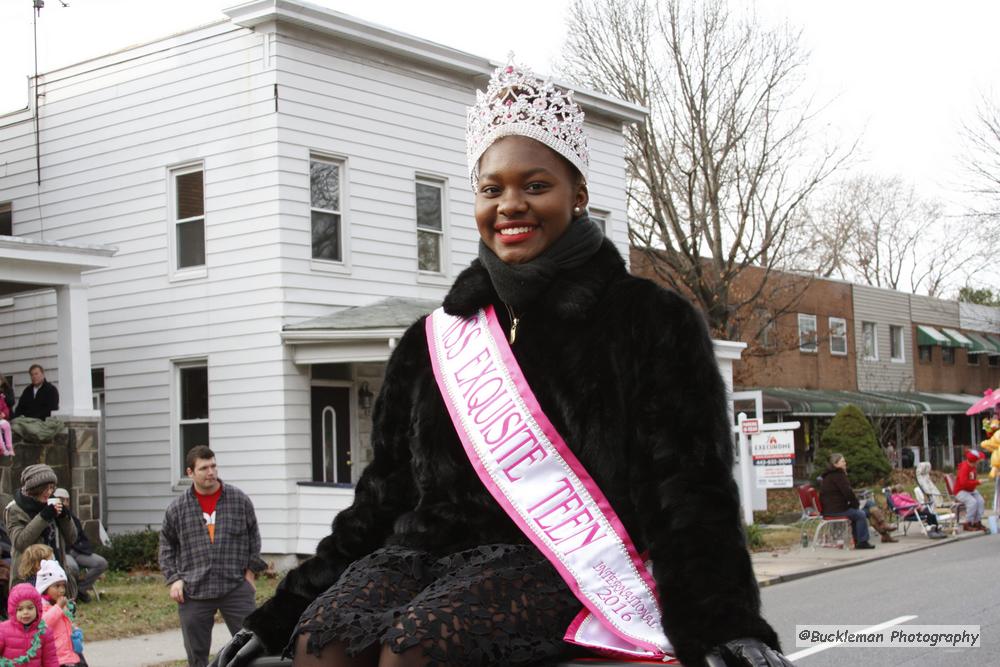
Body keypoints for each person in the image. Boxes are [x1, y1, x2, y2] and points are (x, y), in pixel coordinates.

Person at [211, 61, 792, 667]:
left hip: (556, 560)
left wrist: (723, 625)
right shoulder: (431, 339)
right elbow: (380, 498)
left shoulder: (649, 321)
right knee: (322, 640)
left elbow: (690, 490)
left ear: (579, 194)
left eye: (535, 185)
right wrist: (279, 616)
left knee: (418, 650)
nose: (510, 205)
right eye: (492, 190)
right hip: (420, 555)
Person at [158, 446, 267, 667]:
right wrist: (174, 579)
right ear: (190, 473)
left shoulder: (238, 500)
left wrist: (250, 573)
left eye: (213, 466)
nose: (211, 472)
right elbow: (166, 547)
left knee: (253, 648)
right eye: (204, 468)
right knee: (196, 657)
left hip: (235, 587)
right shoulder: (177, 509)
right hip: (194, 590)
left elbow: (253, 537)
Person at [5, 465, 77, 600]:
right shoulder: (14, 509)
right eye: (46, 488)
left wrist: (65, 517)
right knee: (33, 618)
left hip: (54, 574)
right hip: (29, 576)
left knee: (57, 618)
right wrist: (43, 517)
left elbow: (72, 538)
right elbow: (20, 542)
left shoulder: (52, 503)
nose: (49, 492)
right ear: (34, 488)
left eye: (52, 487)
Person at [51, 489, 106, 603]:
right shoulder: (50, 518)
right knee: (73, 567)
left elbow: (81, 537)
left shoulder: (72, 517)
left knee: (101, 563)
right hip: (63, 553)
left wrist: (84, 548)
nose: (65, 502)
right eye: (62, 499)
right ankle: (72, 593)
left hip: (78, 551)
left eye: (67, 500)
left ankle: (81, 588)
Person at [818, 453, 877, 549]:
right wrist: (856, 504)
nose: (845, 463)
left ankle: (862, 537)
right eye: (842, 461)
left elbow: (846, 493)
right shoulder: (838, 475)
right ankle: (862, 541)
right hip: (836, 510)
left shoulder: (830, 475)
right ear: (835, 464)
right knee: (860, 514)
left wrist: (854, 505)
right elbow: (848, 493)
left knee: (868, 506)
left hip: (833, 508)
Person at [35, 559, 82, 667]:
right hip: (54, 657)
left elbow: (66, 623)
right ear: (45, 588)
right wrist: (58, 607)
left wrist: (75, 630)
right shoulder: (41, 606)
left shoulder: (59, 604)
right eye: (57, 586)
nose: (61, 590)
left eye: (63, 586)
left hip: (67, 654)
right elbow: (44, 623)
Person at [0, 583, 59, 667]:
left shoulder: (45, 632)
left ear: (37, 608)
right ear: (13, 611)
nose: (25, 612)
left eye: (30, 608)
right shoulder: (3, 630)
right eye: (20, 609)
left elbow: (50, 660)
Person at [955, 449, 987, 532]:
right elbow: (963, 483)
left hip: (970, 490)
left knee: (980, 501)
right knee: (972, 502)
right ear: (974, 461)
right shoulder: (965, 468)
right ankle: (968, 523)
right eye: (978, 460)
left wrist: (975, 483)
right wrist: (977, 482)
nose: (979, 461)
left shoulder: (973, 467)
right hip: (961, 491)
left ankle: (977, 522)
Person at [0, 370, 13, 456]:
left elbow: (6, 406)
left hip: (2, 417)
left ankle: (9, 447)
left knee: (6, 426)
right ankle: (2, 448)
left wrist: (4, 414)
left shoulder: (3, 393)